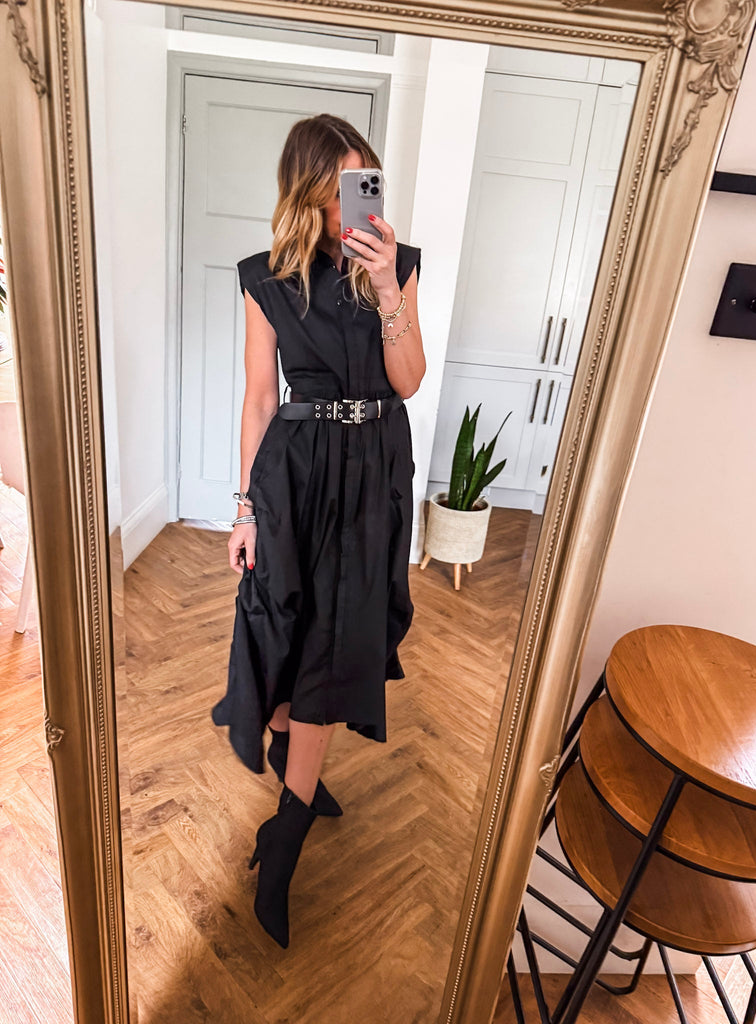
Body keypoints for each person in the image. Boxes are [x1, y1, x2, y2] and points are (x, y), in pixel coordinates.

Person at [211, 113, 425, 948]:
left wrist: (389, 291)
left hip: (373, 474)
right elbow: (260, 398)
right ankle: (293, 765)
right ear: (308, 189)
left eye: (365, 182)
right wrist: (244, 510)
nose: (355, 203)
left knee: (342, 638)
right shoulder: (265, 280)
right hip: (296, 476)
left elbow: (406, 381)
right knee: (294, 626)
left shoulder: (398, 267)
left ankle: (288, 825)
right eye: (340, 187)